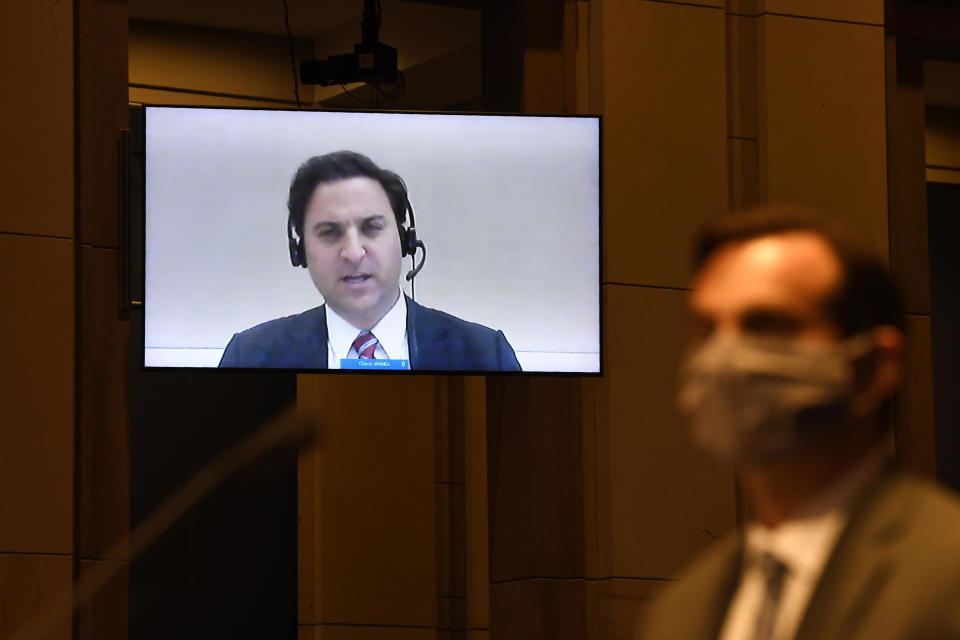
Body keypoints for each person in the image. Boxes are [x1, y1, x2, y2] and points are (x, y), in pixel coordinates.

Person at [637, 205, 960, 640]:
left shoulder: (946, 571)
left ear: (874, 368)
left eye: (767, 325)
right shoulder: (681, 610)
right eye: (706, 330)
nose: (724, 359)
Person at [219, 151, 521, 371]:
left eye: (371, 228)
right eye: (330, 232)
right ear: (300, 251)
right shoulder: (249, 357)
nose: (353, 252)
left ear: (404, 240)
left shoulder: (484, 354)